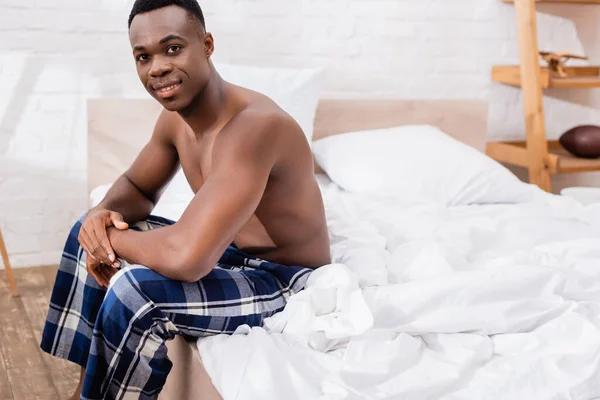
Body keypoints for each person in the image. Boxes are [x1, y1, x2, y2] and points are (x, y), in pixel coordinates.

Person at [39, 0, 331, 398]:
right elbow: (138, 188)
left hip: (283, 279)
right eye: (143, 56)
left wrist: (105, 237)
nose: (156, 67)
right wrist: (99, 219)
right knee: (86, 223)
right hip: (229, 253)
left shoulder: (256, 127)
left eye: (172, 48)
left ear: (207, 45)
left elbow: (188, 258)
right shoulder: (175, 121)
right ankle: (84, 387)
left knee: (133, 289)